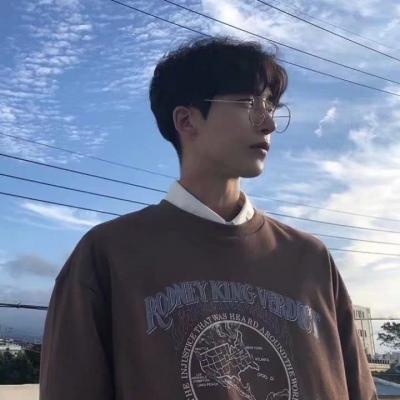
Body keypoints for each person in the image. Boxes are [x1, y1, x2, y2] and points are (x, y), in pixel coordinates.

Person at [39, 36, 377, 400]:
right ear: (187, 120)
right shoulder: (108, 254)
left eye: (271, 105)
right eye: (248, 103)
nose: (268, 123)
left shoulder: (311, 258)